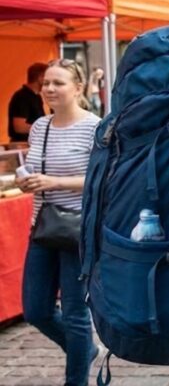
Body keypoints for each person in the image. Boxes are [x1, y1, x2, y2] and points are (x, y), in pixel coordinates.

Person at [16, 59, 100, 386]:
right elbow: (37, 169)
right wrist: (30, 182)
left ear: (78, 88)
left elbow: (102, 178)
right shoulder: (40, 126)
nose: (49, 88)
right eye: (46, 83)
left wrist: (55, 183)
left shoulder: (94, 126)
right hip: (43, 226)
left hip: (78, 229)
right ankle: (83, 350)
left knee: (77, 313)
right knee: (35, 310)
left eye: (59, 83)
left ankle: (75, 380)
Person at [7, 62, 47, 143]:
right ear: (40, 78)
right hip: (22, 145)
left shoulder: (37, 97)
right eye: (47, 78)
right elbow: (19, 127)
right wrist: (44, 129)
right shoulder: (22, 97)